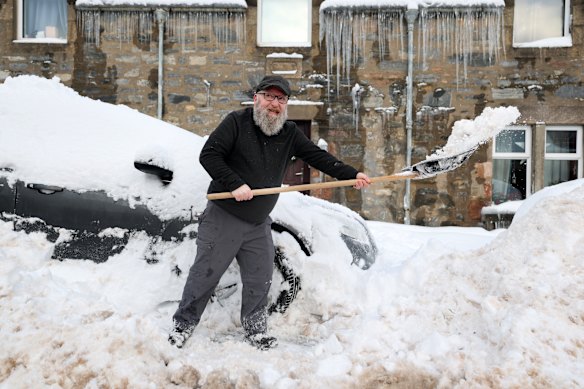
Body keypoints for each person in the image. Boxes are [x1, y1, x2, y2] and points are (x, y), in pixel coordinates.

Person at [168, 75, 371, 350]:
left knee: (259, 278)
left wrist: (351, 174)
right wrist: (235, 183)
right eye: (269, 97)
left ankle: (255, 330)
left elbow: (318, 157)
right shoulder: (236, 123)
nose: (274, 104)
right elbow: (210, 155)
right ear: (256, 98)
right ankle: (183, 326)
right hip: (224, 217)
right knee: (205, 275)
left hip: (257, 223)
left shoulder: (288, 133)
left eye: (281, 99)